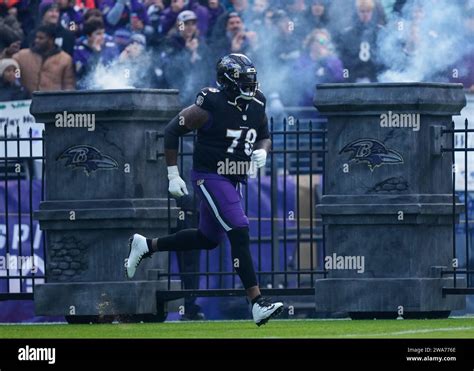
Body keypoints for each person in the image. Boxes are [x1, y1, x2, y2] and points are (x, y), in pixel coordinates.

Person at [125, 53, 284, 326]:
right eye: (243, 80)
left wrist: (262, 151)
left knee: (208, 239)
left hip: (234, 178)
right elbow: (172, 130)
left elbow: (264, 135)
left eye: (251, 80)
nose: (249, 85)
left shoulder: (258, 103)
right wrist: (172, 174)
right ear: (228, 81)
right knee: (240, 229)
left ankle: (147, 245)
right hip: (209, 175)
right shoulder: (210, 104)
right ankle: (257, 302)